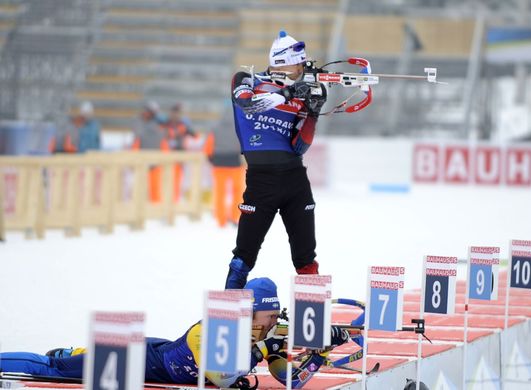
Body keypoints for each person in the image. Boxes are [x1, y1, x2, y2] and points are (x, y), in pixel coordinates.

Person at [0, 278, 350, 389]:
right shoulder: (213, 330)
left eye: (277, 315)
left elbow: (290, 380)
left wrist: (319, 350)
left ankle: (74, 352)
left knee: (67, 361)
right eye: (269, 315)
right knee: (51, 370)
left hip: (155, 352)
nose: (275, 322)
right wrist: (263, 348)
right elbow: (224, 377)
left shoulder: (271, 330)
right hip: (139, 363)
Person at [225, 30, 327, 289]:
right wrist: (290, 94)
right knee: (244, 255)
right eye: (299, 63)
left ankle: (311, 321)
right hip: (261, 182)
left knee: (306, 258)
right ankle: (226, 316)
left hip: (295, 180)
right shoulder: (247, 78)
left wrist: (312, 112)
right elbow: (248, 104)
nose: (303, 68)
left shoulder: (300, 91)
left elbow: (299, 145)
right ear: (284, 62)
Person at [204, 99, 246, 227]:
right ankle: (234, 217)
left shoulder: (215, 127)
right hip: (236, 163)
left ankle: (221, 220)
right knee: (237, 191)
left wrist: (211, 159)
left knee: (220, 192)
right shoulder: (240, 126)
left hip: (219, 163)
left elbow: (208, 146)